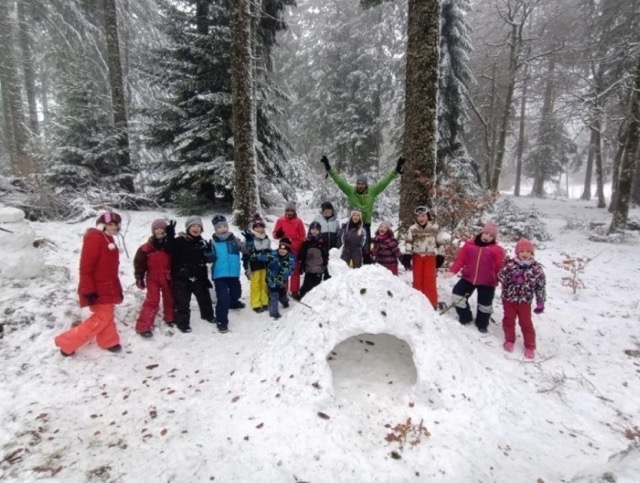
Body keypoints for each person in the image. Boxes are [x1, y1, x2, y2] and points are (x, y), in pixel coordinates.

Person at [54, 212, 124, 356]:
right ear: (102, 225)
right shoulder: (94, 238)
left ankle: (108, 340)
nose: (113, 227)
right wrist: (88, 289)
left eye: (115, 225)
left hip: (108, 286)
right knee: (102, 317)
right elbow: (86, 267)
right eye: (110, 224)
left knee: (107, 314)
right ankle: (67, 342)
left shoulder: (107, 238)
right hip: (97, 287)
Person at [320, 154, 405, 263]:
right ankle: (345, 270)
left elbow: (384, 182)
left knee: (366, 250)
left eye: (362, 184)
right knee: (348, 247)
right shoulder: (351, 192)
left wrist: (396, 170)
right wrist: (328, 167)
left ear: (366, 185)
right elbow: (339, 181)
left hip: (365, 224)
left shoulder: (372, 192)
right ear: (356, 184)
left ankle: (365, 271)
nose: (360, 185)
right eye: (358, 183)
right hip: (352, 225)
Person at [446, 222, 504, 333]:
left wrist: (502, 279)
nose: (487, 237)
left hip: (488, 282)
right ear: (481, 232)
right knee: (457, 294)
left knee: (485, 305)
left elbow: (501, 267)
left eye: (491, 236)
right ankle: (465, 317)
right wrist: (453, 270)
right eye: (486, 233)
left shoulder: (497, 250)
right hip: (468, 277)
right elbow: (460, 259)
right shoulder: (469, 245)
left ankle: (482, 324)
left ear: (494, 238)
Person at [497, 238, 546, 359]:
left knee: (526, 323)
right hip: (509, 299)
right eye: (522, 251)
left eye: (528, 251)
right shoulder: (510, 265)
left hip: (525, 301)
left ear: (532, 254)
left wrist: (540, 302)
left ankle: (530, 346)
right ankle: (509, 340)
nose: (525, 254)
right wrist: (508, 272)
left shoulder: (536, 270)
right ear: (517, 252)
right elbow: (500, 277)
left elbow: (540, 287)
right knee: (509, 320)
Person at [165, 216, 215, 333]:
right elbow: (169, 249)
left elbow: (209, 259)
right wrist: (170, 235)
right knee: (182, 301)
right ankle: (182, 323)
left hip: (199, 275)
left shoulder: (202, 242)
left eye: (198, 226)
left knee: (204, 298)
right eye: (193, 226)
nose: (196, 228)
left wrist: (208, 252)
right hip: (182, 276)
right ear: (188, 228)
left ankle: (208, 315)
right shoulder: (180, 240)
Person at [133, 219, 174, 338]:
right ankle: (143, 326)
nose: (159, 230)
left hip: (167, 276)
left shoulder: (170, 246)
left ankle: (170, 318)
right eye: (156, 228)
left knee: (170, 298)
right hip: (153, 278)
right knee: (152, 300)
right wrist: (139, 277)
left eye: (162, 228)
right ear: (153, 231)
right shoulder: (146, 248)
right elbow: (139, 264)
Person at [401, 207, 445, 308]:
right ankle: (418, 302)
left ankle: (431, 302)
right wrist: (407, 255)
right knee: (417, 279)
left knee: (429, 279)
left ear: (428, 216)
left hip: (430, 256)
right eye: (419, 216)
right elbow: (408, 242)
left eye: (423, 216)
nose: (421, 218)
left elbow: (441, 243)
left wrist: (441, 256)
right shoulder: (412, 228)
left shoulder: (435, 228)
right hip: (417, 256)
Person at [209, 214, 245, 334]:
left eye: (225, 226)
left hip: (233, 273)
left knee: (236, 292)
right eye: (219, 227)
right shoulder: (213, 242)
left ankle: (233, 303)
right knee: (223, 297)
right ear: (215, 229)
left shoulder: (235, 240)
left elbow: (246, 250)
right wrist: (207, 252)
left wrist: (249, 241)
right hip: (219, 274)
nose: (223, 229)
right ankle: (221, 321)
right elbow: (208, 257)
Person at [251, 237, 296, 320]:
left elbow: (290, 270)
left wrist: (283, 272)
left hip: (281, 281)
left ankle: (285, 302)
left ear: (288, 250)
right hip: (271, 280)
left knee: (282, 294)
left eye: (284, 249)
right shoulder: (273, 254)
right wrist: (255, 256)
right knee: (273, 296)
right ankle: (273, 312)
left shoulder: (291, 258)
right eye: (280, 249)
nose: (282, 251)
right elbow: (264, 257)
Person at [272, 201, 306, 299]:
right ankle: (283, 289)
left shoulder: (298, 221)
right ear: (285, 211)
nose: (290, 212)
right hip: (284, 247)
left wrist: (301, 246)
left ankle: (294, 291)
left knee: (295, 270)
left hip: (295, 248)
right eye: (288, 210)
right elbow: (274, 234)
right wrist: (277, 234)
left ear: (295, 211)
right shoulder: (280, 221)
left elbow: (303, 236)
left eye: (292, 210)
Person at [242, 214, 271, 313]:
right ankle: (256, 303)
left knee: (264, 283)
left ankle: (264, 301)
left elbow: (269, 250)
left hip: (264, 265)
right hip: (254, 265)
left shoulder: (266, 238)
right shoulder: (250, 238)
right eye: (256, 226)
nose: (259, 228)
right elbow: (246, 252)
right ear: (253, 227)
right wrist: (245, 264)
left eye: (261, 226)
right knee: (255, 284)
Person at [298, 221, 329, 299]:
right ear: (310, 230)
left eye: (316, 229)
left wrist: (326, 271)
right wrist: (301, 266)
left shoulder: (322, 242)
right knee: (306, 285)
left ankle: (314, 299)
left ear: (319, 231)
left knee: (316, 286)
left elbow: (325, 256)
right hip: (308, 268)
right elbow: (302, 254)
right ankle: (301, 296)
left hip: (319, 269)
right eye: (313, 229)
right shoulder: (306, 242)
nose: (314, 231)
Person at [312, 201, 341, 280]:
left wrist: (338, 246)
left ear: (332, 210)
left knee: (329, 269)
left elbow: (339, 235)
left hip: (332, 249)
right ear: (323, 210)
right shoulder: (317, 220)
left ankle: (328, 283)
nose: (328, 211)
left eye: (330, 209)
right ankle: (316, 284)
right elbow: (312, 233)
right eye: (326, 210)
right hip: (320, 249)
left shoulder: (335, 221)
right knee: (319, 268)